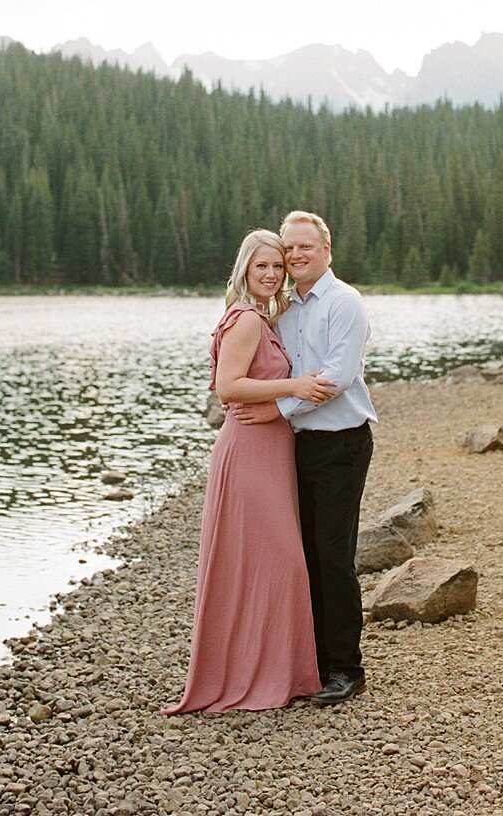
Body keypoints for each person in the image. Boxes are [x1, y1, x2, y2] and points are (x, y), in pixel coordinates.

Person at [162, 229, 337, 714]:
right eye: (262, 266)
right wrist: (296, 386)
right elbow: (228, 387)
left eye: (277, 267)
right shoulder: (245, 320)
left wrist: (287, 396)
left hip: (270, 448)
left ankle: (276, 671)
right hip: (250, 451)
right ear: (244, 269)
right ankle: (260, 675)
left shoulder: (265, 318)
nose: (271, 274)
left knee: (262, 562)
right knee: (283, 562)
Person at [233, 211, 377, 705]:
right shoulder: (283, 309)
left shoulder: (344, 303)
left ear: (327, 250)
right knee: (302, 557)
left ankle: (347, 669)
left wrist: (276, 407)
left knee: (333, 557)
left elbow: (335, 378)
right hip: (296, 446)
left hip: (341, 444)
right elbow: (278, 368)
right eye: (288, 249)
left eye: (304, 248)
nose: (295, 256)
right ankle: (310, 662)